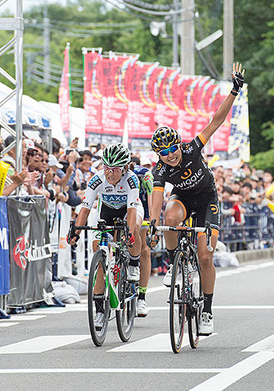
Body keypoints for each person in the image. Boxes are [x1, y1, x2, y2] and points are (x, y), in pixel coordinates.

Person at [148, 62, 245, 336]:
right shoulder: (161, 169)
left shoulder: (192, 148)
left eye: (171, 148)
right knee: (169, 216)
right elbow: (156, 199)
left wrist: (235, 91)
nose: (170, 154)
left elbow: (216, 121)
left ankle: (207, 310)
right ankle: (172, 263)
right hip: (183, 200)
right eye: (163, 152)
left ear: (179, 144)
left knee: (204, 257)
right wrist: (153, 224)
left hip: (207, 200)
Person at [68, 144, 143, 330]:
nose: (110, 173)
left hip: (129, 211)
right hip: (106, 213)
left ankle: (133, 264)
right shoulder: (97, 179)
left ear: (125, 168)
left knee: (135, 228)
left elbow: (132, 211)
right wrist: (75, 233)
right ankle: (100, 310)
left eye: (115, 169)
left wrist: (130, 234)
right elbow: (85, 209)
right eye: (107, 167)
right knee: (98, 253)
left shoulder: (132, 180)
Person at [130, 155, 154, 317]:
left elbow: (151, 199)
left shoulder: (144, 175)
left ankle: (142, 298)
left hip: (142, 206)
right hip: (124, 207)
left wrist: (152, 221)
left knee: (145, 249)